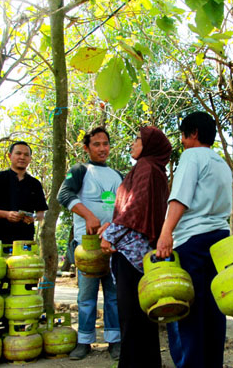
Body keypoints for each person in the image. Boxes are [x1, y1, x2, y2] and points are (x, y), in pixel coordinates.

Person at [155, 112, 232, 368]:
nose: (182, 142)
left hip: (193, 241)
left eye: (183, 135)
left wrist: (166, 233)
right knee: (213, 310)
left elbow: (180, 198)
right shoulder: (221, 162)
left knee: (186, 310)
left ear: (194, 133)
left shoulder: (192, 156)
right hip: (220, 241)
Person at [99, 126, 172, 368]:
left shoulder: (146, 168)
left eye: (137, 139)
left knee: (130, 316)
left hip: (131, 253)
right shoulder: (155, 170)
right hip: (144, 255)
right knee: (143, 316)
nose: (132, 143)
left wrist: (110, 234)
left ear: (149, 145)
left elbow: (134, 209)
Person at [57, 127, 122, 360]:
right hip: (87, 246)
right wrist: (89, 216)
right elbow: (63, 195)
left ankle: (114, 341)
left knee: (114, 296)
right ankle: (84, 340)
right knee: (86, 296)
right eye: (96, 144)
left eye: (105, 143)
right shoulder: (79, 170)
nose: (102, 148)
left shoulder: (117, 175)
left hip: (113, 245)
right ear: (86, 148)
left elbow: (124, 209)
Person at [0, 141, 48, 245]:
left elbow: (41, 214)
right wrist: (6, 215)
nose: (22, 157)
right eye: (18, 153)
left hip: (25, 241)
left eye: (26, 155)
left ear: (30, 159)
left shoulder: (35, 184)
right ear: (10, 156)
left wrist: (33, 218)